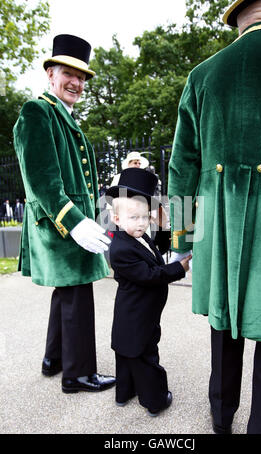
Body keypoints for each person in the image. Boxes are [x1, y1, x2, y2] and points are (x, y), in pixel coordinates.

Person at [168, 0, 261, 434]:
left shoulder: (202, 74)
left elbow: (182, 166)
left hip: (218, 224)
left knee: (223, 324)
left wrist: (183, 239)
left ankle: (221, 416)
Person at [13, 34, 115, 394]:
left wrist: (97, 218)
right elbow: (42, 180)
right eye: (68, 73)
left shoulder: (64, 117)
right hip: (61, 224)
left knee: (66, 291)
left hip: (71, 222)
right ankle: (78, 374)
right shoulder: (37, 111)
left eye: (82, 76)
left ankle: (54, 358)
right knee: (77, 293)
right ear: (50, 74)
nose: (76, 82)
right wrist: (74, 223)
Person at [106, 168, 191, 416]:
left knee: (126, 352)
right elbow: (150, 275)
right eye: (134, 218)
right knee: (144, 356)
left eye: (145, 217)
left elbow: (158, 249)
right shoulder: (121, 248)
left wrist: (163, 226)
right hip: (137, 315)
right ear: (117, 219)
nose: (142, 223)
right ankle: (156, 400)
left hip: (136, 312)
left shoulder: (136, 236)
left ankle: (125, 392)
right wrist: (179, 268)